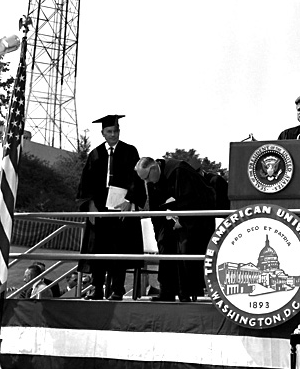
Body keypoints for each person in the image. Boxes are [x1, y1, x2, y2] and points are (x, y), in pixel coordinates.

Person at [77, 114, 146, 301]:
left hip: (120, 208)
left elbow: (137, 179)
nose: (113, 134)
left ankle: (117, 289)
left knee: (119, 248)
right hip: (99, 209)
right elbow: (86, 183)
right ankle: (96, 288)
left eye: (116, 131)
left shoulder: (130, 152)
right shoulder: (95, 154)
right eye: (109, 131)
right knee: (98, 248)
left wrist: (130, 201)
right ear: (103, 133)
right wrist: (90, 206)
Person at [135, 157, 216, 302]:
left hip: (194, 220)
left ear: (154, 168)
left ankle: (185, 292)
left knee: (184, 246)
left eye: (146, 177)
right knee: (164, 243)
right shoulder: (151, 180)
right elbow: (155, 211)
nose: (146, 182)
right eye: (143, 179)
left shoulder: (179, 171)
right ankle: (167, 291)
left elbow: (195, 199)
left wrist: (180, 219)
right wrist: (160, 231)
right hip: (170, 220)